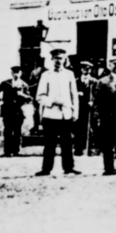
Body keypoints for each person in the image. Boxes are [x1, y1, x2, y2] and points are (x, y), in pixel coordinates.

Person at [34, 48, 80, 176]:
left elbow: (74, 95)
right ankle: (46, 169)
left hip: (66, 114)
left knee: (67, 143)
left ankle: (69, 168)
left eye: (61, 58)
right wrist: (53, 101)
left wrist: (75, 112)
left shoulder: (69, 74)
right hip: (51, 114)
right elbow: (40, 96)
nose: (58, 61)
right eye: (56, 58)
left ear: (65, 59)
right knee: (49, 144)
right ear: (52, 59)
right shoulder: (46, 75)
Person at [0, 66, 30, 157]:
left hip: (18, 111)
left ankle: (16, 151)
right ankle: (7, 152)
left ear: (21, 73)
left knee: (17, 131)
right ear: (11, 73)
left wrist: (23, 96)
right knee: (7, 131)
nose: (16, 74)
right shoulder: (6, 83)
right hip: (7, 110)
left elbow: (29, 99)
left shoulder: (24, 85)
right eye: (14, 72)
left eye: (18, 72)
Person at [74, 60, 96, 156]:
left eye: (88, 69)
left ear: (90, 70)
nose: (85, 71)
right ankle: (78, 149)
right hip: (79, 109)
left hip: (90, 109)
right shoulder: (75, 81)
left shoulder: (94, 82)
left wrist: (93, 101)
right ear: (81, 70)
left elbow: (97, 94)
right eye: (84, 69)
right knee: (78, 129)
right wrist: (77, 94)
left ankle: (89, 149)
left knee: (91, 128)